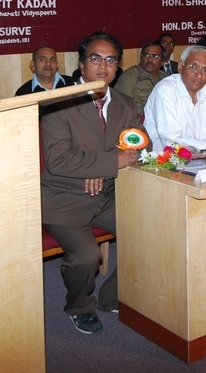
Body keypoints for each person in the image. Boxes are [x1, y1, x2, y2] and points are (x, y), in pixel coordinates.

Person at [40, 31, 144, 335]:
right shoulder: (58, 103)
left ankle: (111, 298)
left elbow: (139, 146)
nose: (103, 66)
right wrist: (108, 162)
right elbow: (58, 160)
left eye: (111, 60)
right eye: (95, 58)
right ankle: (79, 306)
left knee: (150, 236)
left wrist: (101, 167)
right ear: (81, 64)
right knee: (87, 257)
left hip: (107, 194)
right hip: (64, 197)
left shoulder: (125, 104)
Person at [113, 41, 168, 114]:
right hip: (137, 118)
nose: (150, 60)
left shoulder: (164, 78)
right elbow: (123, 106)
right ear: (141, 58)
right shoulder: (130, 75)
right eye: (146, 55)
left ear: (163, 62)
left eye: (155, 56)